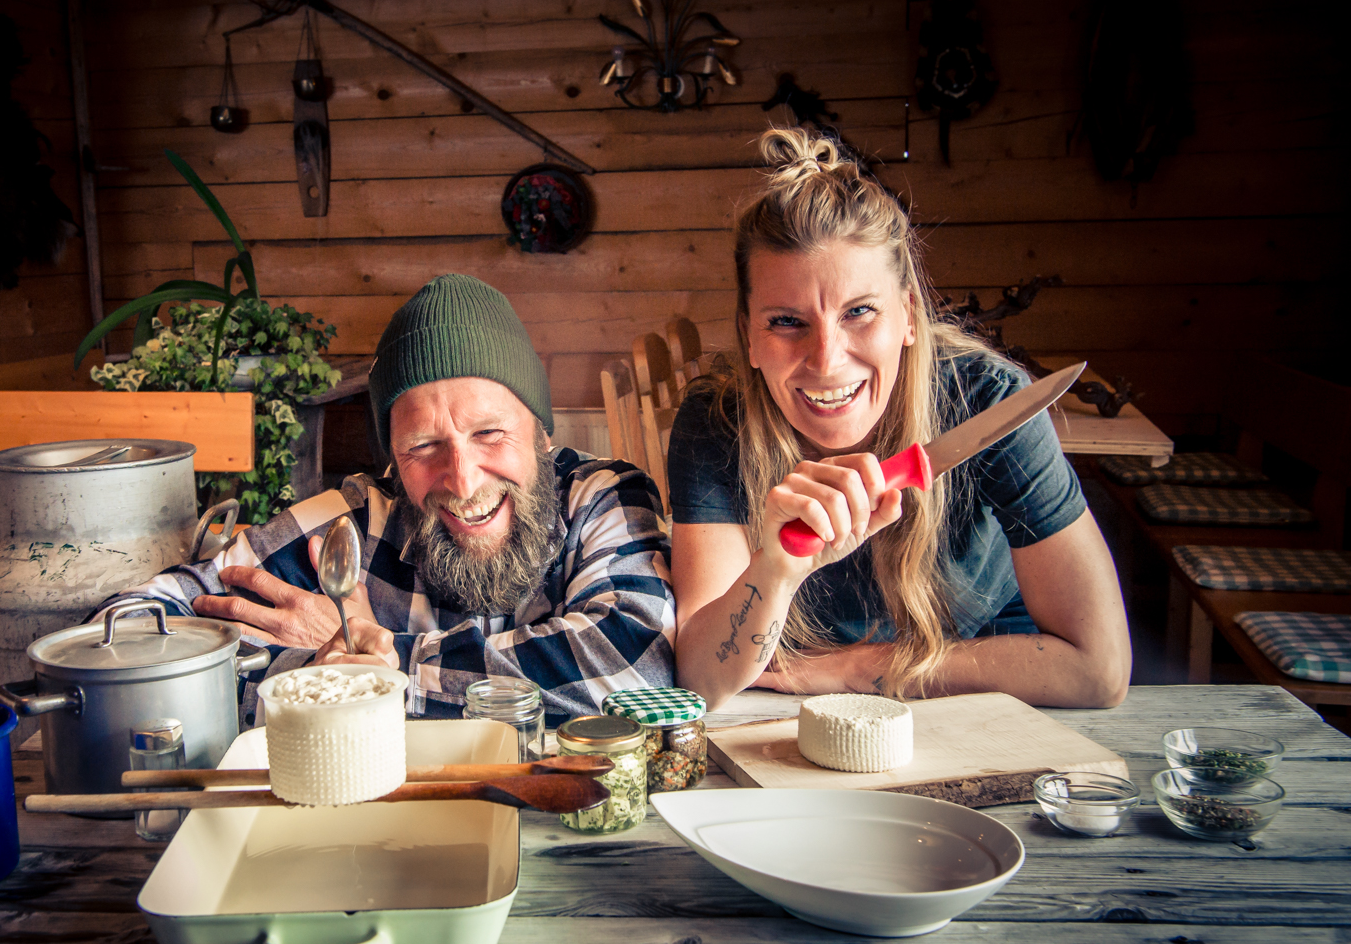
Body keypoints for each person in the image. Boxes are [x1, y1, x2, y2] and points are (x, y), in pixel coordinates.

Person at [667, 128, 1131, 710]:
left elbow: (1100, 670)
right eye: (786, 322)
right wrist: (775, 570)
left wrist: (857, 668)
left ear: (909, 317)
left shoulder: (988, 402)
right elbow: (702, 679)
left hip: (983, 687)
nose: (827, 359)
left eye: (860, 312)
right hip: (792, 706)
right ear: (748, 337)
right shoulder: (715, 424)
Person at [102, 273, 676, 728]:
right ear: (392, 462)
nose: (463, 479)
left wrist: (387, 673)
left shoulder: (604, 498)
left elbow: (633, 664)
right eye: (424, 446)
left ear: (542, 432)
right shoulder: (352, 528)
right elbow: (123, 629)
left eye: (489, 434)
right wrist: (313, 669)